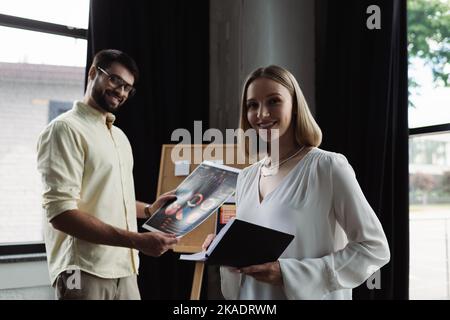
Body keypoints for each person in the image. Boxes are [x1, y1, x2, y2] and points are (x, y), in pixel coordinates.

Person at [202, 65, 390, 300]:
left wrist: (289, 273)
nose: (261, 114)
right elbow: (248, 254)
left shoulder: (328, 167)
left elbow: (374, 249)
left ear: (295, 106)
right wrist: (224, 248)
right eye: (252, 105)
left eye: (273, 101)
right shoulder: (246, 177)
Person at [36, 49, 178, 300]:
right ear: (93, 73)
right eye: (115, 80)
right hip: (81, 271)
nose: (121, 92)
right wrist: (137, 240)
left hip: (125, 269)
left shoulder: (119, 137)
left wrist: (149, 210)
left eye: (127, 88)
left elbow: (108, 200)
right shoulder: (64, 129)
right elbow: (60, 214)